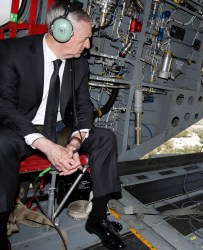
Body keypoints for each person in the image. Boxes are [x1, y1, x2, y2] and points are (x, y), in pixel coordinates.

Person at [0, 1, 125, 249]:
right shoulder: (12, 51)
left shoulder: (79, 63)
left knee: (106, 138)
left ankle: (98, 218)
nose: (88, 45)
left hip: (59, 128)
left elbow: (83, 106)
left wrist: (76, 140)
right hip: (21, 129)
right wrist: (46, 146)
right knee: (0, 144)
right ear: (61, 32)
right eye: (85, 38)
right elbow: (4, 107)